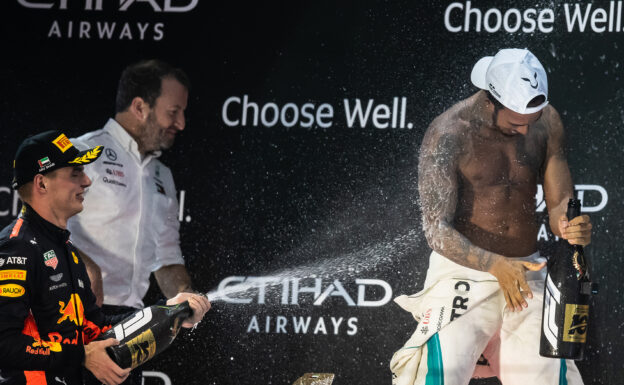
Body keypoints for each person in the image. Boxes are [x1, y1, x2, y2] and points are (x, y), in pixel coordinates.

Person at [390, 48, 593, 385]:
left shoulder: (547, 120)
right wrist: (494, 265)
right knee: (437, 375)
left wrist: (568, 224)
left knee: (545, 378)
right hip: (464, 273)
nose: (527, 131)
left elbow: (560, 202)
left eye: (532, 120)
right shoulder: (448, 134)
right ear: (490, 101)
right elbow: (436, 231)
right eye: (516, 123)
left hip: (526, 271)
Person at [0, 131, 210, 385]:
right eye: (75, 173)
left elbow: (96, 326)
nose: (87, 181)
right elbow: (5, 344)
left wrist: (170, 310)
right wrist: (82, 356)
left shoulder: (66, 250)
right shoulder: (15, 247)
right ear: (42, 184)